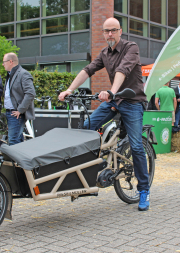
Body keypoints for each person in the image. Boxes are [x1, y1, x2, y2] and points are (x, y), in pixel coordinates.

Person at [58, 17, 150, 211]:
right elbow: (88, 70)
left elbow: (122, 70)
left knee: (136, 145)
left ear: (120, 31)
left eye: (113, 30)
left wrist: (112, 92)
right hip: (114, 101)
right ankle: (87, 174)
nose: (110, 34)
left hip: (132, 102)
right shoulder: (104, 53)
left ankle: (143, 190)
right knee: (85, 129)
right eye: (106, 31)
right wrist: (69, 90)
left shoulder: (131, 47)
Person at [2, 53, 36, 146]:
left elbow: (30, 93)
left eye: (4, 62)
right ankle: (20, 161)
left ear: (10, 62)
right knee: (17, 140)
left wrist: (20, 110)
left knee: (13, 141)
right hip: (10, 113)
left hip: (16, 114)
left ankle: (16, 161)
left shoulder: (23, 74)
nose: (2, 64)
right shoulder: (10, 75)